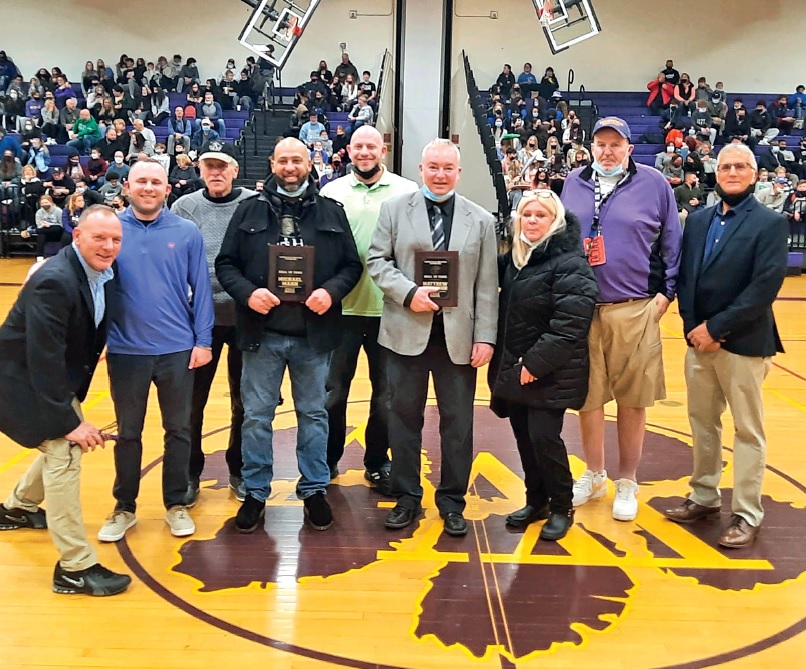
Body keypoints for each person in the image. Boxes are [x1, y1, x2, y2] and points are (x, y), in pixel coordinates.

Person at [215, 138, 362, 534]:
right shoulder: (249, 209)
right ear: (273, 163)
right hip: (261, 336)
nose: (291, 166)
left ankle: (314, 489)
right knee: (257, 418)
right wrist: (249, 293)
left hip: (313, 339)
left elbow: (352, 265)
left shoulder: (331, 211)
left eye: (297, 159)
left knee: (313, 415)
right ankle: (256, 493)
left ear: (309, 163)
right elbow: (225, 264)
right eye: (284, 160)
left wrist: (330, 292)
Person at [366, 139, 498, 536]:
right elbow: (376, 261)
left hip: (459, 338)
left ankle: (452, 500)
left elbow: (487, 285)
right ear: (420, 169)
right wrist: (409, 293)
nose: (440, 174)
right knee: (403, 418)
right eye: (433, 167)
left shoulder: (481, 220)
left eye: (448, 168)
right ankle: (407, 497)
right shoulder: (393, 209)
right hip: (406, 331)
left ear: (459, 172)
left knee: (457, 423)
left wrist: (486, 337)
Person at [0, 207, 131, 596]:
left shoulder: (105, 272)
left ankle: (19, 507)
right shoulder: (54, 280)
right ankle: (75, 567)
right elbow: (43, 358)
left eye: (115, 240)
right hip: (20, 381)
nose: (108, 247)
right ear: (77, 237)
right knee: (65, 451)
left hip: (48, 377)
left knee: (62, 447)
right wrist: (70, 423)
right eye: (99, 238)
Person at [663, 143, 788, 548]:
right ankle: (703, 496)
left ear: (754, 173)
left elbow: (763, 288)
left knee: (747, 431)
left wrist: (715, 329)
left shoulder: (770, 223)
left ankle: (747, 512)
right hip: (698, 342)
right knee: (702, 422)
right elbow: (685, 279)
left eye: (741, 166)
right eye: (726, 166)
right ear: (716, 173)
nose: (732, 172)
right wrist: (691, 328)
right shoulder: (697, 221)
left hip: (744, 343)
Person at [560, 117, 682, 522]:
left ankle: (627, 479)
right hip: (580, 307)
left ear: (629, 148)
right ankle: (594, 474)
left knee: (632, 397)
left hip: (635, 305)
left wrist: (666, 295)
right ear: (590, 147)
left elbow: (672, 242)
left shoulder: (655, 184)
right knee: (587, 397)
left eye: (616, 144)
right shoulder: (573, 183)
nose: (607, 151)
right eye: (600, 144)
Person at [97, 160, 214, 543]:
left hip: (177, 350)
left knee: (179, 429)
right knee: (128, 433)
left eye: (156, 182)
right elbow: (90, 285)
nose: (148, 187)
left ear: (168, 189)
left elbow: (202, 288)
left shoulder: (186, 232)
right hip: (126, 351)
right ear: (127, 187)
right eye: (141, 181)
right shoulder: (111, 231)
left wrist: (203, 341)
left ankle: (176, 503)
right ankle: (124, 507)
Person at [488, 190, 597, 539]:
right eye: (527, 214)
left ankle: (562, 506)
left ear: (555, 221)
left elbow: (570, 324)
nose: (533, 221)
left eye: (541, 215)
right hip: (516, 368)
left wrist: (535, 363)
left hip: (548, 371)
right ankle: (536, 500)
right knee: (524, 437)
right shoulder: (515, 260)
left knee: (545, 437)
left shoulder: (569, 262)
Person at [320, 126, 418, 491]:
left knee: (386, 395)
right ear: (349, 150)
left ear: (383, 150)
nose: (364, 152)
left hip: (390, 310)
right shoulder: (331, 191)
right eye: (358, 146)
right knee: (333, 392)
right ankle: (326, 460)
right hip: (341, 309)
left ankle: (377, 461)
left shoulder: (406, 191)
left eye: (371, 146)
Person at [171, 142, 256, 505]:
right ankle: (190, 472)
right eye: (209, 166)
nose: (216, 173)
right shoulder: (183, 207)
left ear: (235, 171)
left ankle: (238, 468)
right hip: (196, 322)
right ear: (200, 171)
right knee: (192, 403)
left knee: (244, 402)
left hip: (244, 318)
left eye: (222, 167)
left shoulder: (254, 203)